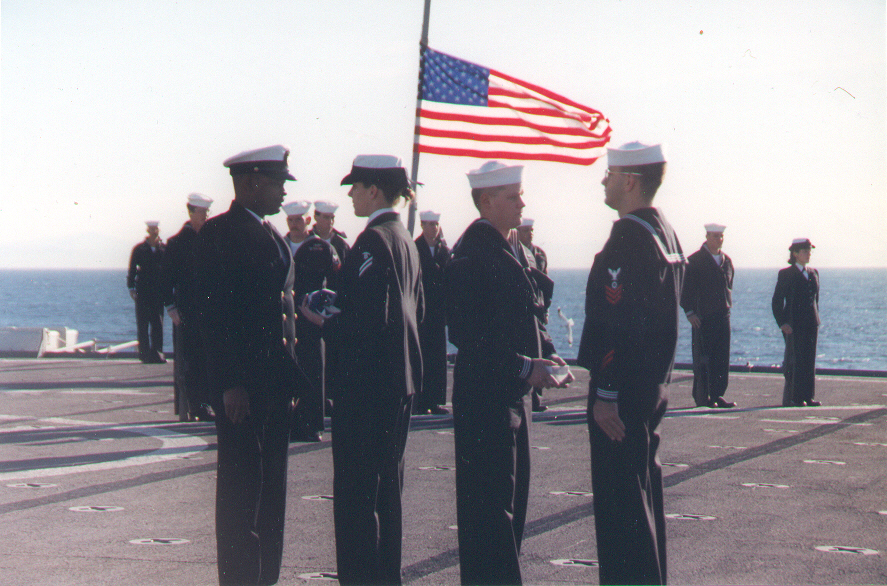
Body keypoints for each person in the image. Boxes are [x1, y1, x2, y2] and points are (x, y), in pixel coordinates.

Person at [445, 160, 572, 586]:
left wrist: (547, 355)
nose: (522, 203)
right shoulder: (472, 253)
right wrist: (524, 367)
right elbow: (467, 335)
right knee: (490, 520)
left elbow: (529, 315)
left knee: (509, 513)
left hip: (512, 398)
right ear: (486, 201)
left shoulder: (511, 248)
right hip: (486, 401)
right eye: (513, 196)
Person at [300, 155, 423, 586]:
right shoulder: (404, 239)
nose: (350, 194)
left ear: (374, 191)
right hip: (398, 384)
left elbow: (369, 322)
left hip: (366, 390)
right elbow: (412, 312)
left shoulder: (372, 241)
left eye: (355, 187)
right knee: (387, 498)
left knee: (356, 503)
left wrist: (322, 320)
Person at [194, 145, 310, 586]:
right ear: (253, 183)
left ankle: (265, 578)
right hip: (244, 393)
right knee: (242, 499)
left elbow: (278, 314)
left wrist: (291, 380)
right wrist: (229, 385)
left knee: (270, 496)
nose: (284, 193)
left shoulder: (269, 233)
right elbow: (214, 318)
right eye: (278, 183)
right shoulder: (220, 234)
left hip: (273, 388)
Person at [576, 141, 684, 586]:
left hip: (620, 398)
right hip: (650, 389)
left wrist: (605, 394)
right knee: (642, 505)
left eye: (610, 174)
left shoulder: (627, 237)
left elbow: (616, 321)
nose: (603, 181)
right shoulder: (665, 232)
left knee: (621, 516)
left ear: (630, 182)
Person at [282, 200, 341, 442]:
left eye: (299, 220)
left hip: (312, 321)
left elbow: (337, 282)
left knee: (313, 371)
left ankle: (312, 425)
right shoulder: (280, 245)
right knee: (286, 370)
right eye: (290, 220)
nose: (294, 224)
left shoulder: (322, 248)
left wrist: (327, 314)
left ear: (308, 220)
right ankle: (286, 423)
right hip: (286, 320)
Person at [161, 193, 215, 421]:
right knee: (192, 361)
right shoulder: (176, 243)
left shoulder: (213, 239)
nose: (206, 216)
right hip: (188, 311)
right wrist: (170, 307)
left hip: (212, 309)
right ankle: (196, 406)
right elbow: (165, 279)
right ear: (191, 212)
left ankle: (211, 403)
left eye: (207, 212)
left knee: (212, 358)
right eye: (202, 212)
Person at [680, 223, 736, 408]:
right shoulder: (694, 261)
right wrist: (689, 313)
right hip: (703, 317)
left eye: (721, 236)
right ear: (706, 237)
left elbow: (729, 285)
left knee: (721, 358)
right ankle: (703, 397)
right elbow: (684, 289)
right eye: (714, 236)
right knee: (703, 358)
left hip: (723, 316)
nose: (718, 239)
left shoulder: (727, 261)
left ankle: (717, 395)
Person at [772, 238, 821, 407]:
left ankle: (808, 396)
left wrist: (816, 319)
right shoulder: (786, 274)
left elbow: (815, 299)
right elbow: (777, 301)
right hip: (793, 324)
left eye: (809, 251)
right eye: (805, 251)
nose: (808, 254)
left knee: (809, 359)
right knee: (795, 360)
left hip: (811, 323)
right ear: (795, 253)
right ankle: (794, 397)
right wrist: (782, 322)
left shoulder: (813, 273)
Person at [414, 209, 450, 415]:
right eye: (429, 224)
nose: (433, 228)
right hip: (420, 309)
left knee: (437, 356)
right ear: (422, 225)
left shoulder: (444, 250)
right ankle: (419, 400)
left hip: (438, 311)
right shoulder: (415, 248)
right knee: (421, 355)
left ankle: (435, 400)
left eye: (436, 224)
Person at [516, 217, 553, 413]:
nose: (529, 233)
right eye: (525, 230)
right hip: (524, 309)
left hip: (538, 308)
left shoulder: (539, 254)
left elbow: (545, 282)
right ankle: (528, 395)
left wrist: (545, 308)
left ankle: (537, 397)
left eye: (531, 230)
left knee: (539, 351)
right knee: (527, 352)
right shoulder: (515, 252)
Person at [127, 221, 166, 363]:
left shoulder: (164, 249)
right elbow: (132, 269)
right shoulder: (139, 249)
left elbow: (169, 270)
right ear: (148, 231)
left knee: (157, 324)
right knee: (143, 324)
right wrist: (131, 287)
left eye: (156, 229)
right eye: (152, 229)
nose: (154, 231)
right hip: (143, 291)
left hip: (158, 292)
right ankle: (144, 355)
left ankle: (157, 354)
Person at [312, 200, 351, 265]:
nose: (330, 222)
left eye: (332, 218)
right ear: (316, 217)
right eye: (326, 217)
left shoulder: (341, 244)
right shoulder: (307, 239)